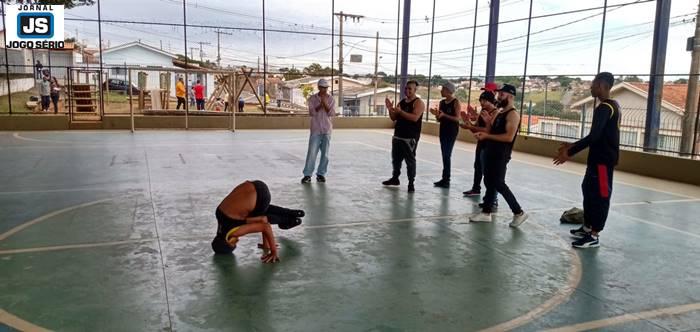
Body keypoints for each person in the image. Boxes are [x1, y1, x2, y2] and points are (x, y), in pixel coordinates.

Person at [554, 72, 620, 249]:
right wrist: (572, 144)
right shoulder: (609, 106)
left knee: (601, 196)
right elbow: (597, 136)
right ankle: (587, 226)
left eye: (593, 84)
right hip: (597, 160)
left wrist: (570, 152)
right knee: (588, 190)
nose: (590, 87)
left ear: (601, 85)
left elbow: (594, 136)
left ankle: (594, 235)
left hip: (603, 163)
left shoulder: (606, 107)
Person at [469, 84, 528, 227]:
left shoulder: (513, 115)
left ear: (511, 96)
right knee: (489, 182)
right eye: (498, 94)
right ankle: (486, 212)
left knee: (499, 183)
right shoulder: (499, 113)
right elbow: (491, 131)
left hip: (501, 154)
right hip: (491, 151)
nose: (498, 97)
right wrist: (488, 124)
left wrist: (487, 135)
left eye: (502, 94)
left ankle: (518, 212)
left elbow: (508, 137)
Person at [211, 180, 305, 262]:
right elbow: (257, 218)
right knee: (256, 212)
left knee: (261, 215)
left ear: (228, 241)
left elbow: (265, 225)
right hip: (255, 185)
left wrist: (273, 252)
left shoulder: (234, 231)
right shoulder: (219, 215)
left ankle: (290, 221)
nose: (237, 240)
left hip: (261, 196)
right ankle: (292, 213)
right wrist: (265, 244)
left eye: (234, 243)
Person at [382, 80, 425, 193]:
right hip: (398, 136)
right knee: (396, 160)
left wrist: (400, 112)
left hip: (409, 138)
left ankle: (411, 183)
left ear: (415, 90)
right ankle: (395, 178)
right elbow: (394, 118)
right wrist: (390, 108)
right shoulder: (402, 102)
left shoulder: (418, 103)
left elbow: (414, 117)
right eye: (406, 88)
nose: (407, 90)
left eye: (410, 89)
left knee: (410, 161)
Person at [461, 91, 500, 203]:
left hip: (490, 145)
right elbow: (476, 127)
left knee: (489, 172)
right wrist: (468, 125)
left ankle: (493, 198)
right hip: (481, 143)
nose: (482, 103)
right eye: (481, 101)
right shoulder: (482, 112)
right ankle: (476, 188)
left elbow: (489, 131)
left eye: (484, 101)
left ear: (491, 101)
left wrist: (473, 128)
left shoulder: (495, 113)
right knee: (478, 166)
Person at [301, 79, 335, 184]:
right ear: (319, 87)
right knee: (312, 152)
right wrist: (321, 104)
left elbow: (331, 113)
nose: (325, 90)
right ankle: (307, 175)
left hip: (327, 129)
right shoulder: (312, 99)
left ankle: (321, 174)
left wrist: (325, 103)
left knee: (325, 154)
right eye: (323, 87)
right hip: (316, 129)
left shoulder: (331, 99)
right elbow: (312, 113)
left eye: (326, 88)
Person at [429, 82, 461, 188]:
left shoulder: (456, 102)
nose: (441, 91)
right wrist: (437, 115)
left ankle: (446, 179)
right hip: (443, 130)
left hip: (451, 131)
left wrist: (444, 115)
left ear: (448, 91)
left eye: (443, 89)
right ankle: (445, 178)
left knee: (447, 155)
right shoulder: (442, 102)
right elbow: (440, 119)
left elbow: (457, 118)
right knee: (444, 155)